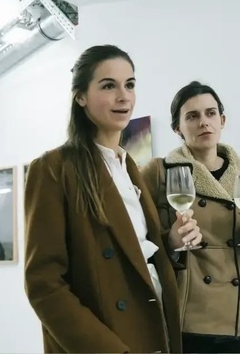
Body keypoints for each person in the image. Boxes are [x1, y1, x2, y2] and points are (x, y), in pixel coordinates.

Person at [24, 45, 202, 354]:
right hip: (108, 340)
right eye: (109, 86)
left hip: (155, 328)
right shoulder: (54, 169)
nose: (124, 96)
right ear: (81, 96)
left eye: (130, 84)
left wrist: (170, 242)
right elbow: (44, 284)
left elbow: (133, 254)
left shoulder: (129, 166)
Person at [141, 81, 240, 354]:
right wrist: (171, 242)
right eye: (192, 116)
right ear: (177, 127)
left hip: (238, 315)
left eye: (211, 113)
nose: (204, 122)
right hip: (189, 317)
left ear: (222, 120)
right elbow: (137, 243)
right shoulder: (159, 173)